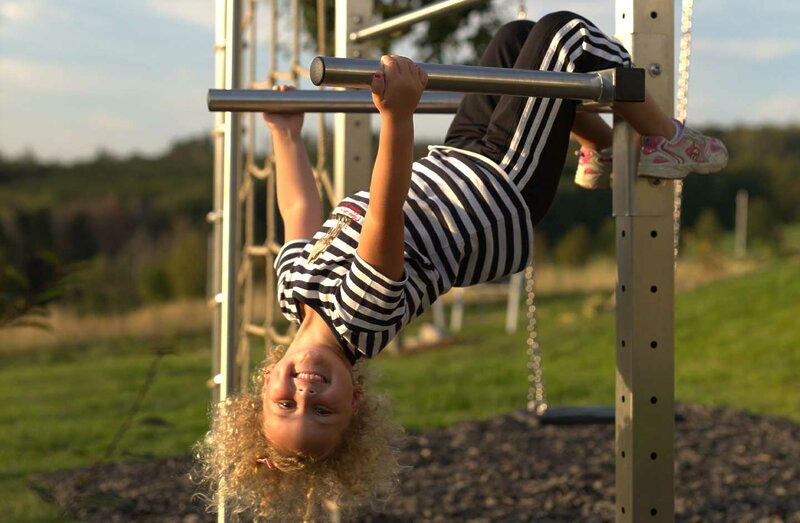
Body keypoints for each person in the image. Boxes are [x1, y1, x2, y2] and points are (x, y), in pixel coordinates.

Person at [195, 11, 727, 519]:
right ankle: (667, 140)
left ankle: (604, 148)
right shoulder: (362, 320)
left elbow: (299, 212)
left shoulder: (295, 292)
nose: (305, 393)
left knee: (515, 44)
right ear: (355, 399)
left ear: (264, 384)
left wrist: (286, 134)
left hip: (462, 160)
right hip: (501, 187)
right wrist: (397, 115)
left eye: (286, 405)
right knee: (564, 38)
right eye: (323, 410)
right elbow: (384, 210)